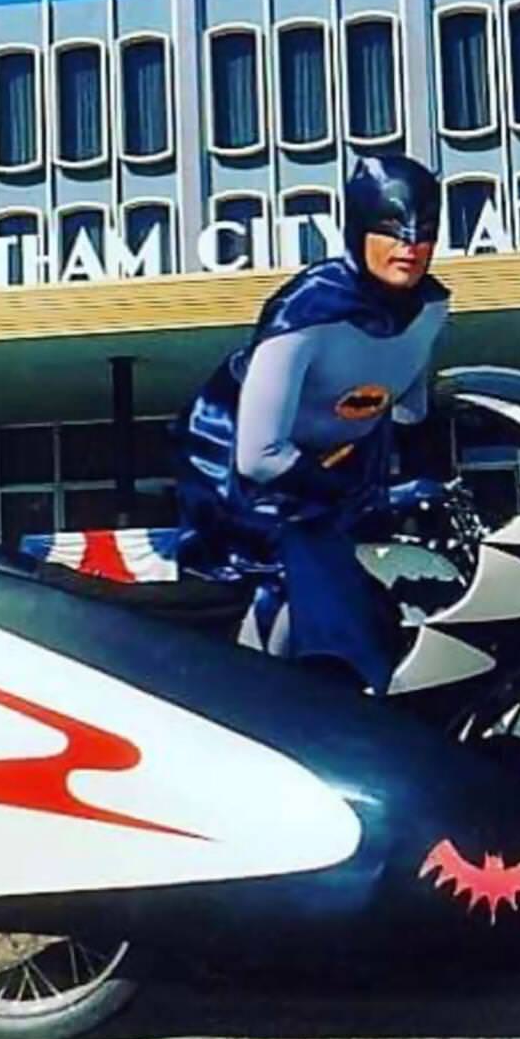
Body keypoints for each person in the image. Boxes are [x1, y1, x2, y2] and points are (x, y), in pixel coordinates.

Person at [172, 154, 449, 693]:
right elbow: (258, 453)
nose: (410, 246)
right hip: (228, 460)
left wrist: (415, 482)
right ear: (358, 229)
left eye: (425, 233)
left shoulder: (430, 308)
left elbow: (411, 406)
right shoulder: (306, 311)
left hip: (338, 468)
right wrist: (357, 494)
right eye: (390, 231)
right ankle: (302, 690)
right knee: (299, 560)